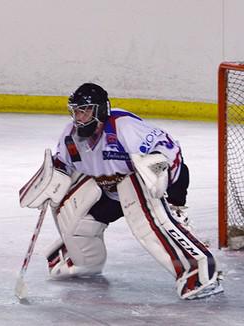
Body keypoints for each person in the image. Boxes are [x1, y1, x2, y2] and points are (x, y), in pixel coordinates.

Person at [19, 82, 223, 300]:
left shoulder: (123, 127)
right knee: (73, 216)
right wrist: (50, 182)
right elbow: (62, 165)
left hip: (149, 186)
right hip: (108, 189)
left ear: (100, 110)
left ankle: (198, 270)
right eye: (76, 111)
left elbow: (167, 148)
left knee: (144, 218)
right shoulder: (71, 136)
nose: (79, 117)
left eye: (85, 110)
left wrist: (159, 174)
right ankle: (80, 260)